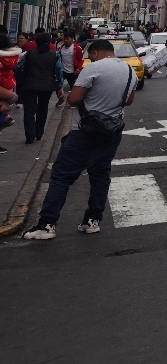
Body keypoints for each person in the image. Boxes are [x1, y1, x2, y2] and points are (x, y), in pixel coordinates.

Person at [23, 38, 137, 240]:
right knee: (100, 176)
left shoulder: (93, 69)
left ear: (95, 53)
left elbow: (73, 99)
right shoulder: (129, 70)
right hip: (112, 132)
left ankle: (47, 224)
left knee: (61, 176)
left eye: (90, 57)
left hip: (84, 132)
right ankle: (92, 221)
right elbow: (128, 101)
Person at [17, 32, 63, 144]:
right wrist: (60, 87)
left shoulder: (29, 54)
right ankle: (39, 132)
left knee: (29, 111)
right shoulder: (55, 54)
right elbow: (59, 71)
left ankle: (29, 135)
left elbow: (18, 66)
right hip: (47, 86)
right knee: (43, 109)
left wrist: (21, 79)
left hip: (29, 85)